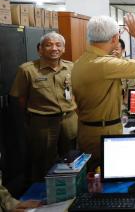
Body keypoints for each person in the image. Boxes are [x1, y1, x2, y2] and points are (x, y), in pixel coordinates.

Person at [72, 14, 135, 171]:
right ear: (115, 38)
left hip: (88, 128)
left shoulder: (81, 61)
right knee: (106, 177)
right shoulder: (105, 64)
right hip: (102, 132)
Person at [10, 32, 77, 182]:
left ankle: (72, 193)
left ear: (63, 49)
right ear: (40, 49)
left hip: (69, 121)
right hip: (43, 124)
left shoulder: (71, 67)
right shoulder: (27, 70)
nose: (54, 48)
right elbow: (20, 98)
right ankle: (42, 199)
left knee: (71, 159)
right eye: (49, 45)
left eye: (58, 45)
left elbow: (75, 92)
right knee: (43, 164)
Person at [112, 39, 135, 115]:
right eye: (111, 49)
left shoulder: (128, 65)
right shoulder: (104, 63)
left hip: (121, 104)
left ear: (123, 50)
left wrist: (124, 105)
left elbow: (133, 87)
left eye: (116, 49)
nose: (113, 51)